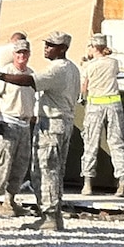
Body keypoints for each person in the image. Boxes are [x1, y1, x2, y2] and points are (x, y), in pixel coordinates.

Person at [29, 31, 81, 230]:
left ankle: (49, 216)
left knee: (44, 170)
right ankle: (54, 215)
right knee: (55, 171)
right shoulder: (73, 68)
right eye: (47, 43)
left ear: (63, 49)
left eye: (51, 45)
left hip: (52, 124)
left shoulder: (57, 70)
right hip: (63, 123)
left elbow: (31, 82)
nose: (47, 47)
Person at [0, 37, 37, 216]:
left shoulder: (30, 75)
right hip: (8, 122)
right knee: (1, 163)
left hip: (24, 124)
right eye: (19, 52)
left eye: (25, 52)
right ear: (13, 54)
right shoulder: (5, 73)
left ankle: (10, 200)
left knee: (20, 164)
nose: (22, 56)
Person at [79, 34, 124, 194]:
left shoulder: (89, 66)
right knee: (116, 143)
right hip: (114, 105)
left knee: (90, 144)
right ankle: (122, 182)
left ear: (94, 48)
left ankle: (87, 183)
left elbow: (84, 88)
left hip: (95, 105)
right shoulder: (114, 63)